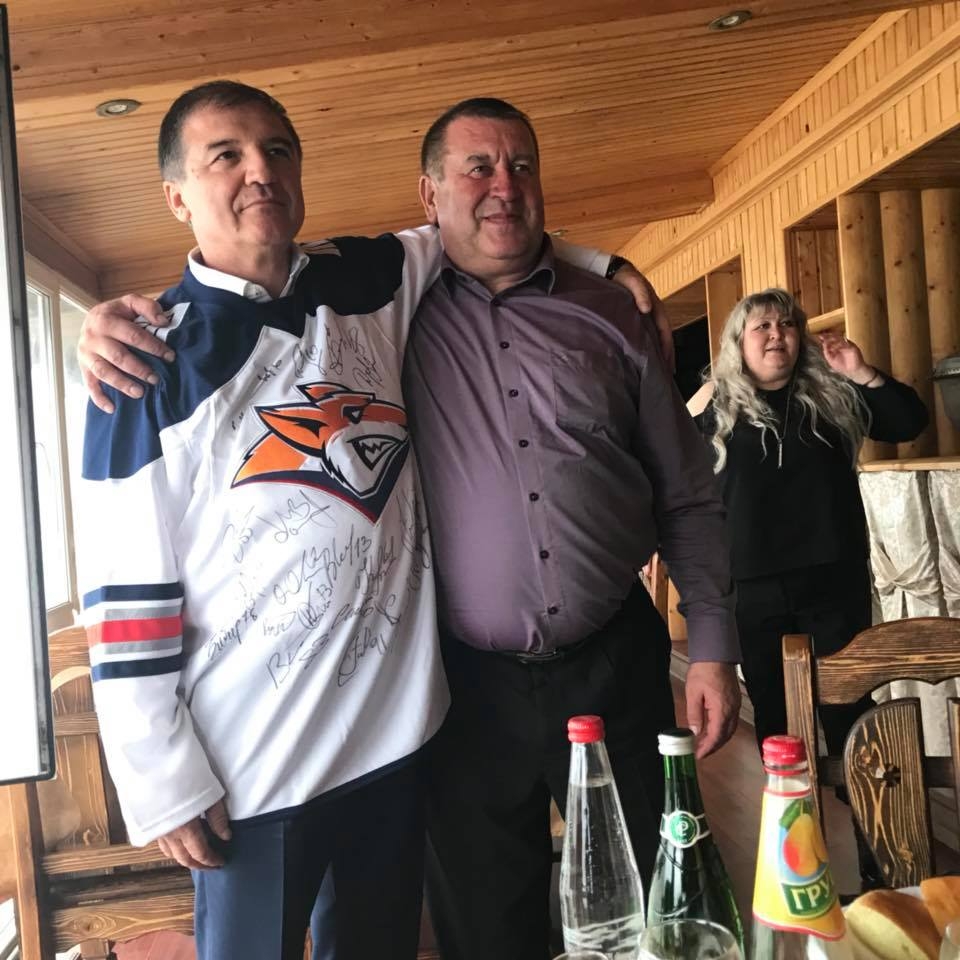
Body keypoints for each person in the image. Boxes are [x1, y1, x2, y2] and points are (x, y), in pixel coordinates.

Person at [76, 86, 669, 960]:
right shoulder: (146, 361)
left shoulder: (367, 277)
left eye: (278, 150)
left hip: (395, 745)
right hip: (253, 770)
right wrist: (161, 777)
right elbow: (122, 592)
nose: (259, 172)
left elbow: (482, 226)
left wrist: (608, 265)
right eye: (226, 156)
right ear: (176, 196)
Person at [402, 98, 741, 960]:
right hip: (460, 688)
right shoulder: (393, 318)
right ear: (430, 194)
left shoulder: (612, 313)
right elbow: (267, 273)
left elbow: (687, 493)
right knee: (487, 932)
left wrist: (711, 647)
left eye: (522, 166)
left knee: (661, 915)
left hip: (615, 663)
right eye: (479, 168)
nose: (504, 186)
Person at [693, 288, 928, 756]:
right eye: (762, 326)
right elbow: (672, 478)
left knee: (850, 706)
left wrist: (860, 372)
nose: (776, 334)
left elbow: (908, 423)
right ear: (738, 343)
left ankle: (864, 800)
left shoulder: (832, 396)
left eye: (786, 324)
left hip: (833, 578)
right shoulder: (716, 409)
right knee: (775, 713)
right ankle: (792, 802)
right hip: (751, 585)